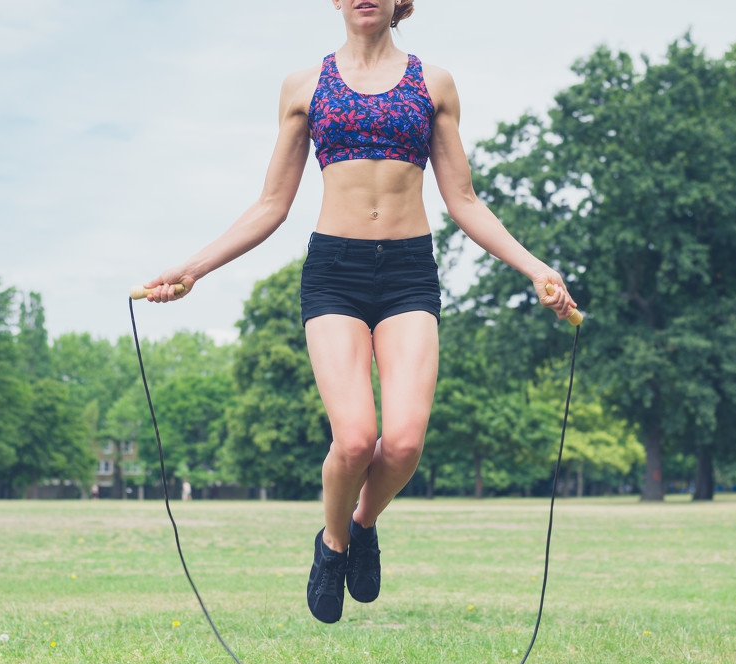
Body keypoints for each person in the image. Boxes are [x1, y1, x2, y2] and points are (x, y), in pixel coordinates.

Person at [142, 0, 576, 624]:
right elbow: (271, 204)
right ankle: (332, 545)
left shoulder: (434, 83)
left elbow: (464, 201)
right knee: (354, 440)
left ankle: (362, 522)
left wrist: (536, 267)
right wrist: (192, 269)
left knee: (401, 443)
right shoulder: (304, 86)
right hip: (335, 275)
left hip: (407, 274)